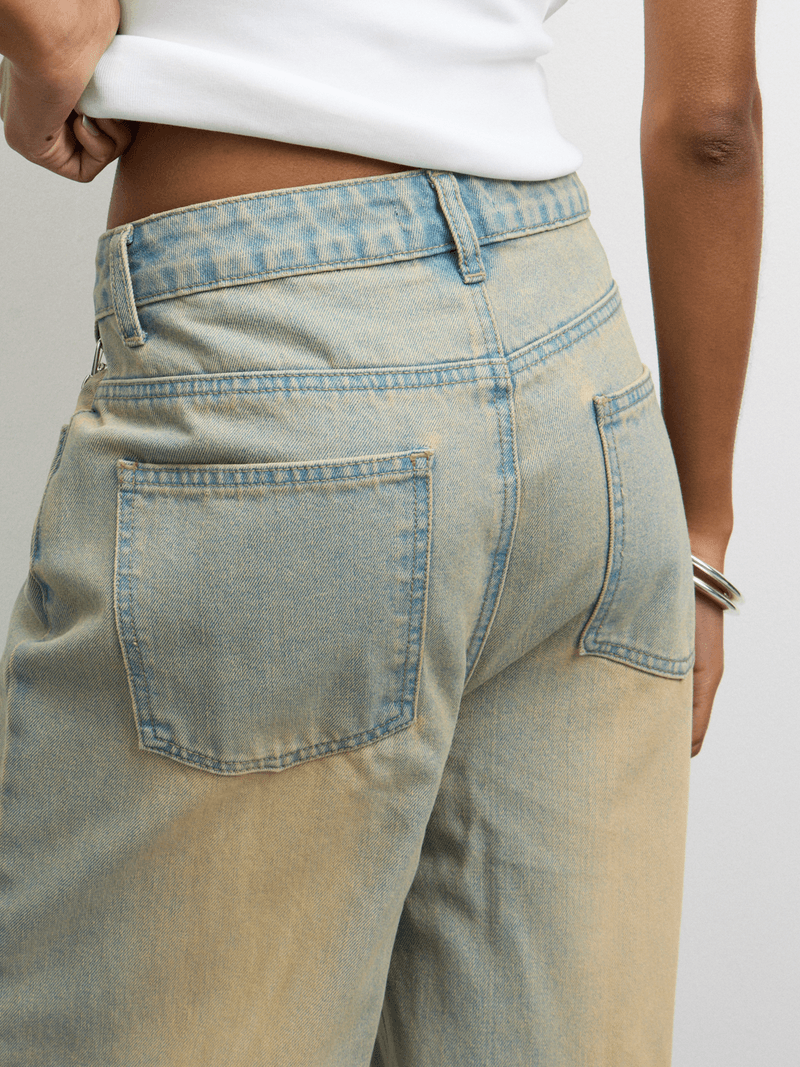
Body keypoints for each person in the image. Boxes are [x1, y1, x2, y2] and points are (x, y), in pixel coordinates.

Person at [0, 0, 762, 1063]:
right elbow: (712, 124)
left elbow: (53, 26)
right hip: (580, 387)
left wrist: (43, 54)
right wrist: (700, 535)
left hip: (271, 369)